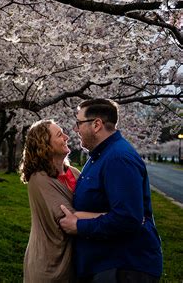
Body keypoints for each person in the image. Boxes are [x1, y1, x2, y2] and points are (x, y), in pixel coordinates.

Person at [59, 98, 162, 283]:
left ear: (97, 124)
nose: (76, 130)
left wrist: (78, 226)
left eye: (79, 123)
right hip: (105, 264)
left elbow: (128, 218)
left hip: (123, 266)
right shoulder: (99, 156)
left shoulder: (118, 158)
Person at [19, 119, 102, 282]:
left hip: (76, 263)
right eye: (59, 135)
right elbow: (67, 219)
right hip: (49, 265)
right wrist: (115, 215)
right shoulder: (39, 179)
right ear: (46, 145)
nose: (66, 137)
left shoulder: (74, 172)